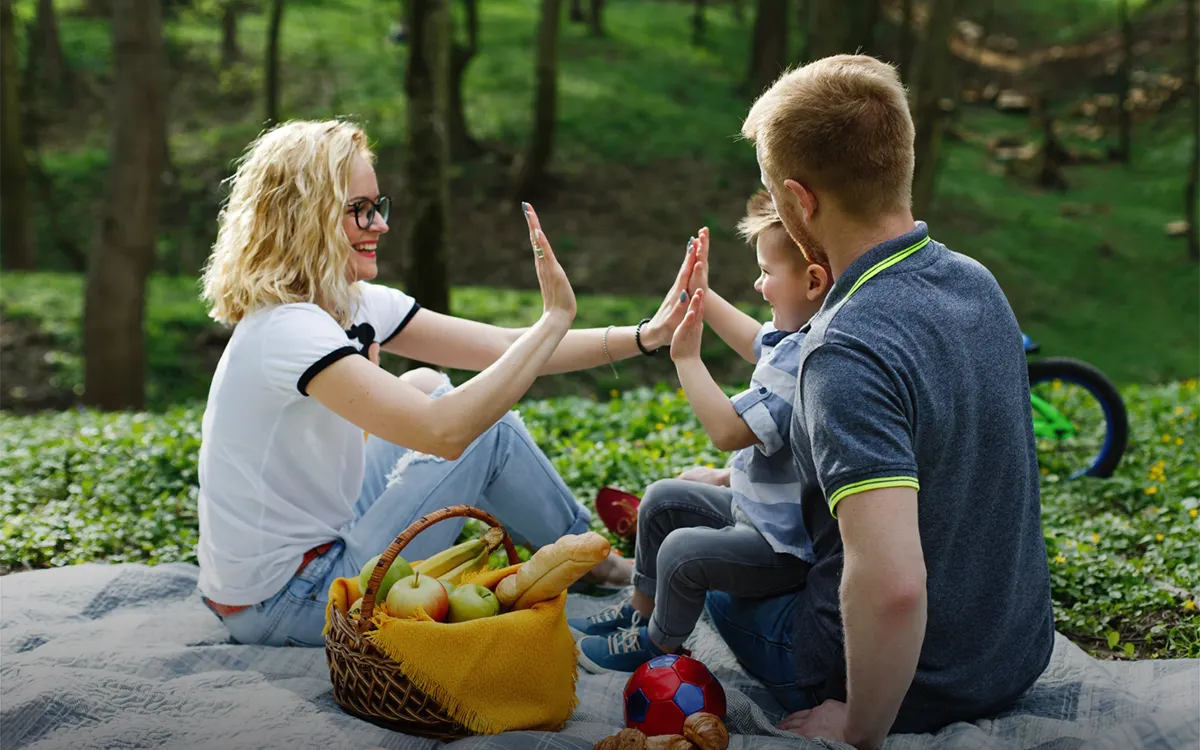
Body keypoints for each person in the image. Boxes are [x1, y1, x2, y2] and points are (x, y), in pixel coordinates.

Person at [194, 119, 698, 648]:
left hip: (313, 555)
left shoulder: (348, 302)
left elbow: (505, 346)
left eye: (377, 205)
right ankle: (597, 566)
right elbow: (446, 433)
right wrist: (553, 320)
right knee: (482, 427)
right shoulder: (288, 328)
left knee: (426, 382)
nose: (380, 224)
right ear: (306, 219)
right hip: (288, 602)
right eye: (358, 209)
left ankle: (596, 564)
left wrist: (646, 335)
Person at [692, 55, 1054, 749]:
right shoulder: (977, 282)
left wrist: (860, 724)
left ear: (799, 202)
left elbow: (892, 588)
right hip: (1014, 652)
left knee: (699, 567)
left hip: (919, 684)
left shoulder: (843, 351)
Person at [571, 190, 832, 676]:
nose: (757, 285)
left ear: (813, 282)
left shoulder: (806, 360)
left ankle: (657, 646)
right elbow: (757, 340)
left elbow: (729, 431)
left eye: (766, 273)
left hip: (779, 546)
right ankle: (641, 608)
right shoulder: (798, 337)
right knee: (662, 499)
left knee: (682, 552)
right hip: (752, 513)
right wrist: (701, 294)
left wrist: (686, 359)